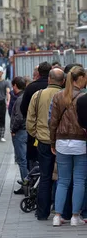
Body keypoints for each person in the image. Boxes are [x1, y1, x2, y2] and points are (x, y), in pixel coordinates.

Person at [50, 66, 87, 227]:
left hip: (62, 141)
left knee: (63, 180)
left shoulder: (58, 97)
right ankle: (74, 216)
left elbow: (52, 122)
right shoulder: (83, 97)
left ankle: (58, 216)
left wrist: (52, 142)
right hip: (80, 142)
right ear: (81, 79)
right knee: (79, 180)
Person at [26, 68, 65, 220]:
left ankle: (42, 213)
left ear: (49, 79)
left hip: (43, 140)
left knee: (45, 176)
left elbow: (30, 119)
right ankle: (62, 210)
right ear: (62, 81)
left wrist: (36, 133)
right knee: (64, 177)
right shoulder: (64, 96)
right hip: (61, 141)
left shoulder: (38, 95)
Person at [20, 61, 52, 170]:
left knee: (35, 162)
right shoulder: (58, 88)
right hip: (53, 134)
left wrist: (32, 129)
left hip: (35, 133)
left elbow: (23, 109)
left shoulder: (31, 87)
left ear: (38, 72)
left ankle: (32, 182)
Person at [10, 76, 28, 193]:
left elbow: (19, 117)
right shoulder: (24, 97)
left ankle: (25, 185)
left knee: (22, 160)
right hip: (24, 131)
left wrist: (13, 129)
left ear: (15, 86)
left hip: (20, 132)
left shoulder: (20, 99)